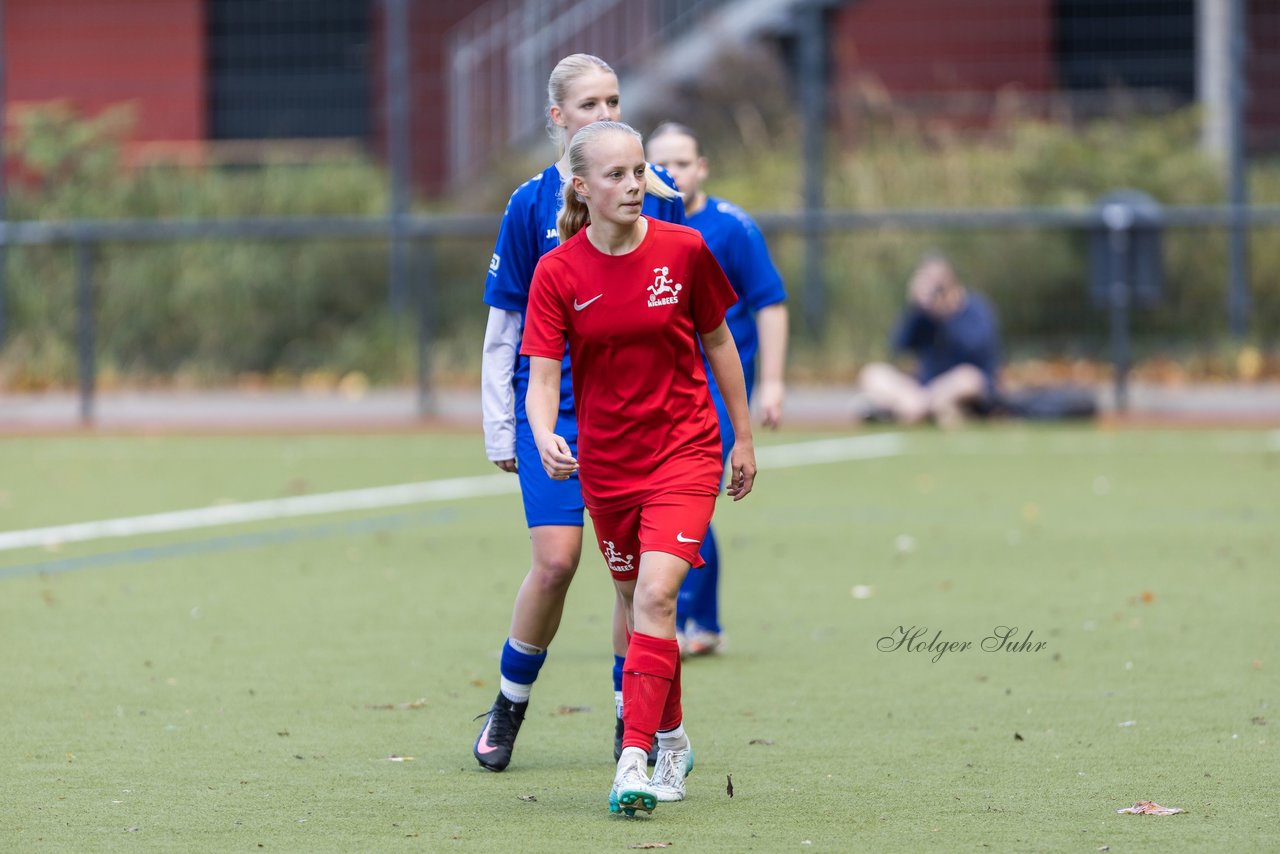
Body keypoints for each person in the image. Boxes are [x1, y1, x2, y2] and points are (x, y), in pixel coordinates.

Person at [521, 120, 756, 815]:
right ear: (581, 187)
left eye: (638, 172)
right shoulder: (557, 271)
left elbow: (719, 344)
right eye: (617, 175)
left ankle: (636, 754)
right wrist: (541, 434)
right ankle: (675, 738)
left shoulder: (684, 250)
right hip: (608, 465)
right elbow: (540, 379)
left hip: (685, 449)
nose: (633, 186)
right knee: (633, 601)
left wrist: (741, 438)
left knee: (656, 597)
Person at [475, 54, 685, 773]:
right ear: (558, 119)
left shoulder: (654, 197)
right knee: (558, 562)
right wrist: (502, 424)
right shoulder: (529, 204)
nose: (606, 113)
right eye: (589, 104)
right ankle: (509, 703)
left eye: (615, 99)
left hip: (636, 421)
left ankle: (634, 721)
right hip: (555, 418)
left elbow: (687, 316)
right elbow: (506, 326)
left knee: (634, 582)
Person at [644, 122, 788, 657]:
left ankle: (691, 620)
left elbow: (769, 303)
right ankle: (686, 618)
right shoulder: (636, 223)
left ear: (701, 167)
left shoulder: (731, 227)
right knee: (658, 498)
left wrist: (770, 383)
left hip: (716, 389)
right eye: (659, 164)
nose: (671, 173)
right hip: (655, 388)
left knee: (690, 496)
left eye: (682, 162)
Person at [857, 253, 1000, 428]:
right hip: (923, 389)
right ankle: (925, 410)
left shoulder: (975, 308)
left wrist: (945, 315)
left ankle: (907, 411)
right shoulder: (922, 314)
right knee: (873, 373)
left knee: (968, 378)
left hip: (958, 386)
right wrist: (915, 308)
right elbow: (898, 346)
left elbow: (975, 348)